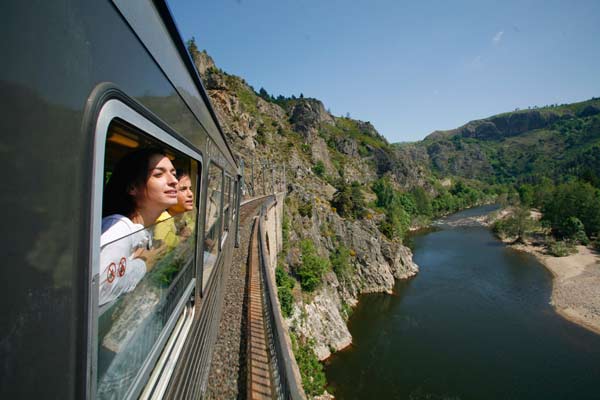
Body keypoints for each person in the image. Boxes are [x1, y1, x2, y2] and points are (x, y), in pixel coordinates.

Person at [99, 148, 178, 307]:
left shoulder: (139, 228)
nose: (174, 181)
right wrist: (143, 264)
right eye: (158, 174)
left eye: (174, 173)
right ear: (132, 187)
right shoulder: (119, 229)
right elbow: (100, 289)